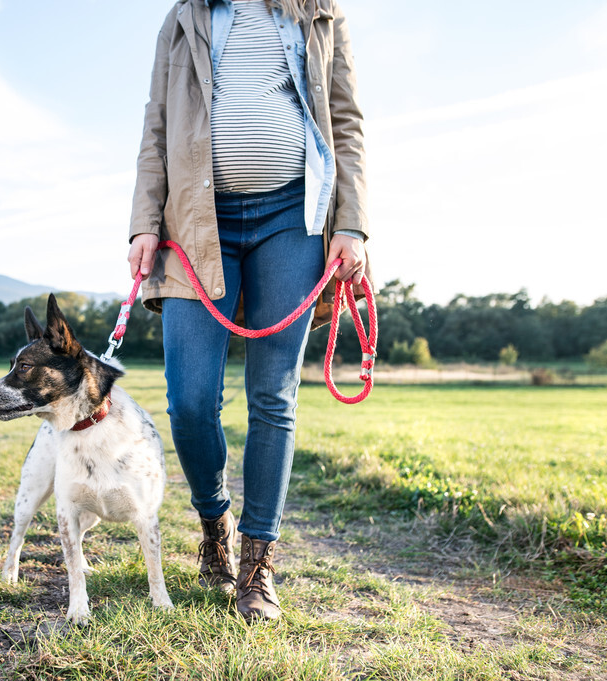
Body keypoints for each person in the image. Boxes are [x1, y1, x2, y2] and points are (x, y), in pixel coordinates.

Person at [126, 0, 369, 621]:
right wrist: (141, 224)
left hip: (293, 218)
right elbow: (156, 125)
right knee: (190, 398)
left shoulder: (319, 13)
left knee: (274, 396)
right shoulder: (184, 18)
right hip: (195, 220)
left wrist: (354, 227)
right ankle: (215, 521)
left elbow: (345, 122)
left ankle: (258, 567)